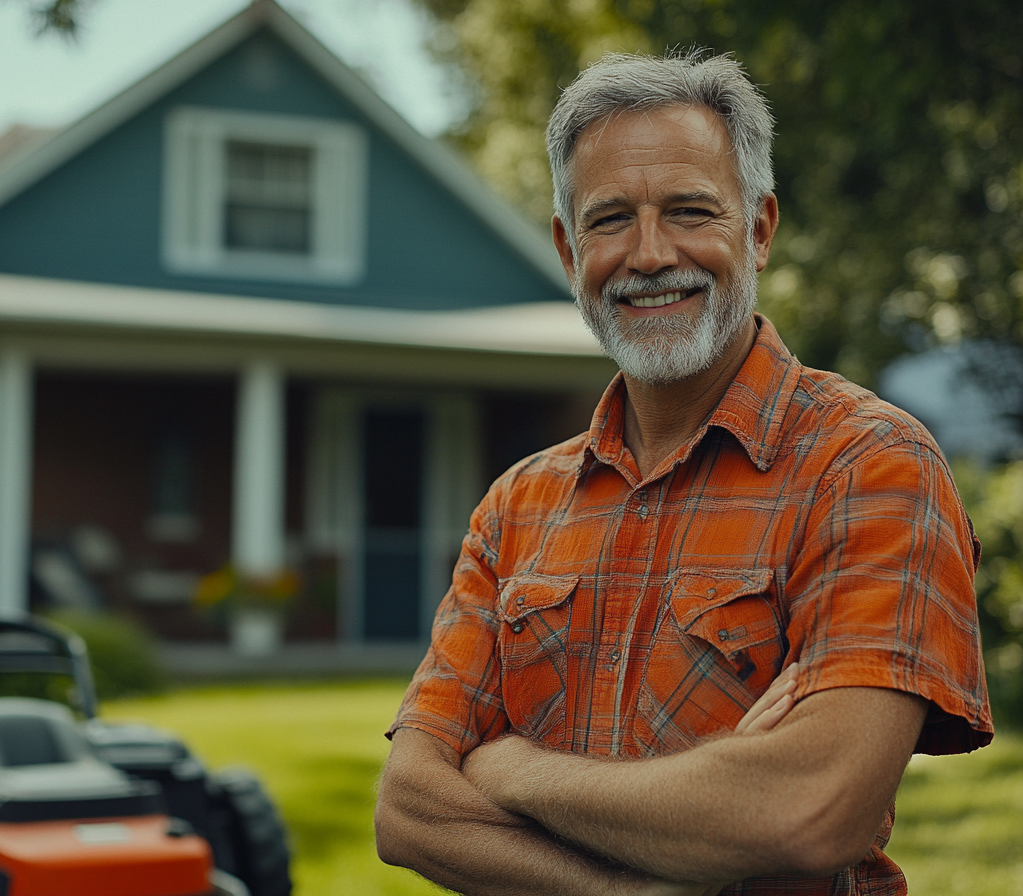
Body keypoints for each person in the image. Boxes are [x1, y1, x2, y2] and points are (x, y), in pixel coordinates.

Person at [374, 51, 993, 896]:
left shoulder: (871, 466)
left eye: (691, 210)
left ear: (761, 230)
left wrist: (512, 769)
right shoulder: (518, 505)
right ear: (567, 247)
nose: (651, 254)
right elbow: (409, 812)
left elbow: (811, 810)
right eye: (610, 219)